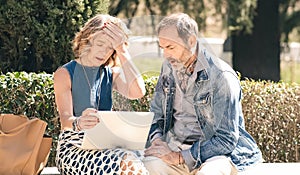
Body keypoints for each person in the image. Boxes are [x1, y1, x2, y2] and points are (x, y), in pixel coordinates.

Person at [143, 13, 263, 175]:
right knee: (145, 167)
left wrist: (179, 157)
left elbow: (226, 140)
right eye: (162, 48)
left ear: (191, 41)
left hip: (218, 156)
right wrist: (158, 142)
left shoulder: (222, 76)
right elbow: (157, 114)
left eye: (171, 47)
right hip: (175, 148)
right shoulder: (168, 67)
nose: (166, 55)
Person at [53, 14, 148, 174]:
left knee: (133, 158)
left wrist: (123, 50)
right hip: (74, 149)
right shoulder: (65, 73)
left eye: (110, 47)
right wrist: (80, 122)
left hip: (106, 146)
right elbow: (65, 120)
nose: (104, 52)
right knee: (127, 161)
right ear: (86, 40)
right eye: (100, 44)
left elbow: (138, 92)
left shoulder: (111, 74)